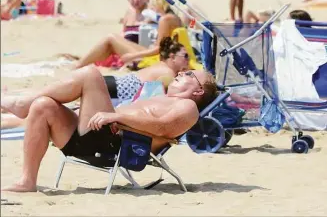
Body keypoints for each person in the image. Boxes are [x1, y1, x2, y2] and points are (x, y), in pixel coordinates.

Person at [1, 69, 217, 192]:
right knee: (43, 106)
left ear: (198, 90)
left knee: (91, 75)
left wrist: (118, 115)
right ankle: (27, 181)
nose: (181, 72)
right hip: (94, 138)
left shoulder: (188, 108)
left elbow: (164, 127)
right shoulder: (162, 97)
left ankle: (22, 102)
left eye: (189, 73)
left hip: (115, 145)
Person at [1, 37, 192, 120]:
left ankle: (15, 100)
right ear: (172, 57)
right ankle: (17, 104)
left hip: (111, 83)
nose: (188, 61)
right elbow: (154, 99)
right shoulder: (167, 74)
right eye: (186, 56)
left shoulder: (159, 66)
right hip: (112, 92)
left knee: (57, 98)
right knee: (59, 103)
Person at [73, 0, 182, 69]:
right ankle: (84, 64)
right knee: (113, 40)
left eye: (154, 5)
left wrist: (133, 56)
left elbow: (159, 49)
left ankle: (79, 66)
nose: (153, 8)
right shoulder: (174, 18)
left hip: (156, 59)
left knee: (110, 38)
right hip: (159, 55)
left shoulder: (165, 20)